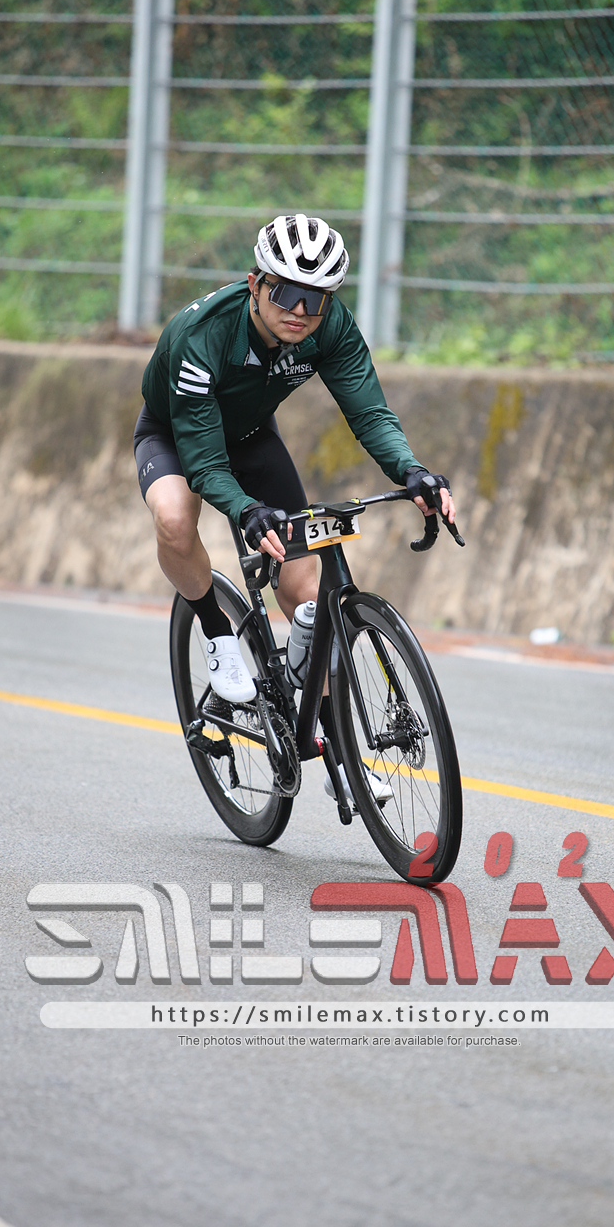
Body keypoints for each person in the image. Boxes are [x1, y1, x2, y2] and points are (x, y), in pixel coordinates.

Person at [134, 214, 455, 799]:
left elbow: (369, 412)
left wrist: (411, 471)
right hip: (177, 438)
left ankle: (339, 760)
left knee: (308, 598)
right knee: (176, 518)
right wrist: (245, 510)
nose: (301, 311)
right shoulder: (203, 334)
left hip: (252, 437)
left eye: (317, 298)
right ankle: (216, 634)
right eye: (286, 292)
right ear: (255, 284)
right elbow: (205, 465)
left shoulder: (329, 327)